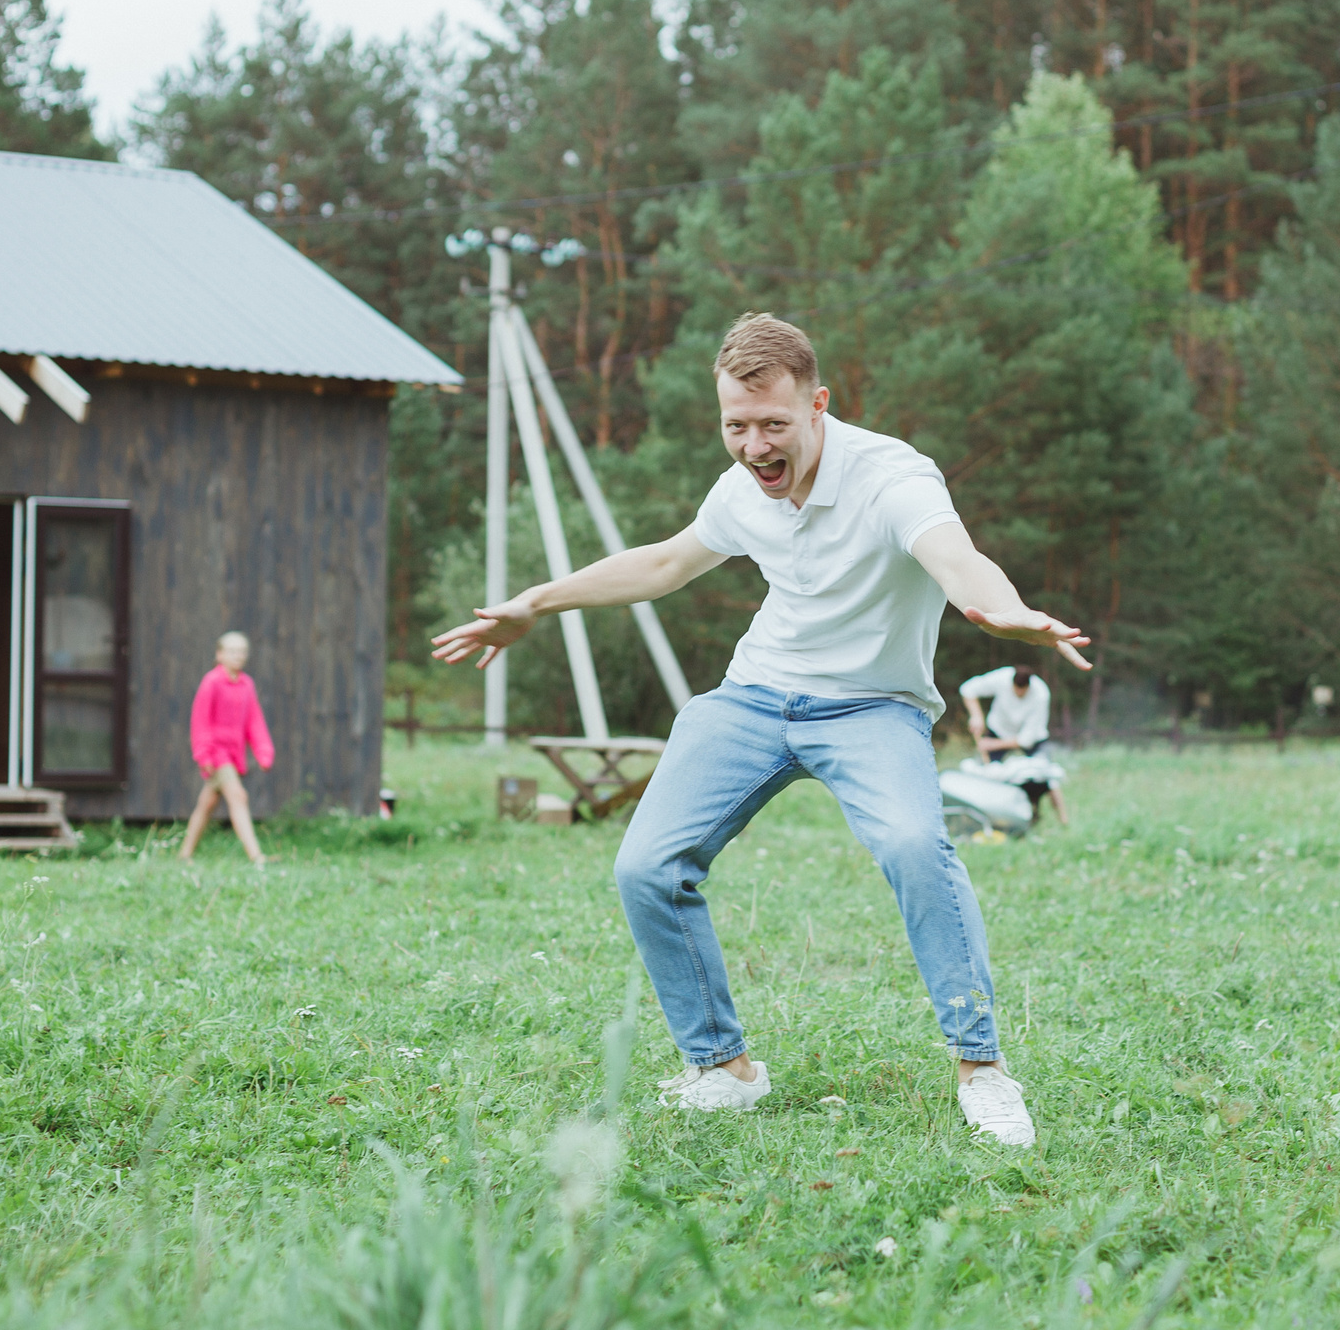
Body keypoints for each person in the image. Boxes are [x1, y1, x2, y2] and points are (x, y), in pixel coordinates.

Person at [433, 314, 1090, 1147]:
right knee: (646, 865)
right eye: (735, 426)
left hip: (872, 706)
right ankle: (723, 1068)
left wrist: (1002, 609)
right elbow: (664, 563)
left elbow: (958, 560)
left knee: (915, 847)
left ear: (818, 403)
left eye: (772, 424)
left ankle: (982, 1067)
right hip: (754, 696)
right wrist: (535, 602)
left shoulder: (892, 478)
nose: (753, 446)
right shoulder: (742, 488)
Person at [182, 631, 274, 866]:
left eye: (242, 651)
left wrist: (263, 751)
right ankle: (256, 856)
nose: (238, 656)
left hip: (234, 755)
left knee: (207, 804)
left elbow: (254, 721)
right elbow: (200, 720)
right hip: (216, 754)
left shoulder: (246, 684)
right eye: (232, 651)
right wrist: (203, 754)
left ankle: (184, 854)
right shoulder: (212, 682)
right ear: (220, 654)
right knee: (238, 796)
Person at [958, 661, 1069, 825]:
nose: (1018, 693)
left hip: (1031, 738)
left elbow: (1026, 740)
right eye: (1015, 690)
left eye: (1022, 692)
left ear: (1029, 687)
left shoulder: (1041, 694)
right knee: (984, 774)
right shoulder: (1002, 677)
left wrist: (992, 745)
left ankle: (1063, 821)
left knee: (1046, 774)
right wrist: (976, 716)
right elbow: (968, 689)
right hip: (999, 730)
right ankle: (984, 819)